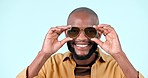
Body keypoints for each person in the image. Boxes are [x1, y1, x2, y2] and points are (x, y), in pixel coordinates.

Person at [17, 7, 144, 78]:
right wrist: (44, 53)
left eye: (89, 31)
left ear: (98, 33)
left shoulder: (117, 67)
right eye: (74, 31)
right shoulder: (50, 65)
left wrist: (118, 53)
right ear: (66, 33)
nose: (82, 38)